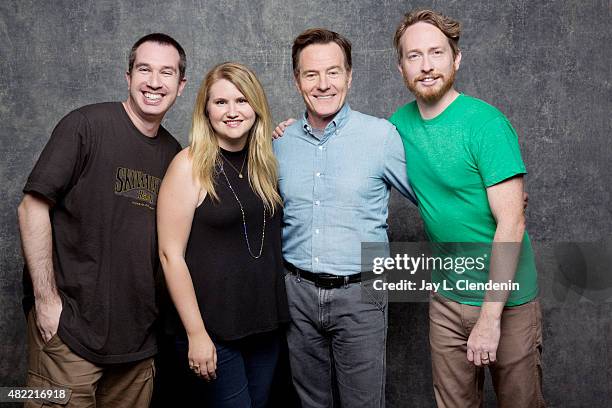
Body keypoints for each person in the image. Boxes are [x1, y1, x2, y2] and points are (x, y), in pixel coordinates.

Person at [17, 33, 187, 407]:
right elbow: (32, 207)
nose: (155, 82)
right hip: (70, 334)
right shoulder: (85, 126)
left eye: (166, 73)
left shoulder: (175, 155)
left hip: (137, 347)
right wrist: (46, 301)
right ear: (127, 76)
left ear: (181, 85)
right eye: (144, 69)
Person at [390, 9, 544, 407]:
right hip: (446, 298)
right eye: (414, 56)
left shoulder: (485, 124)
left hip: (504, 299)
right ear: (401, 67)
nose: (426, 66)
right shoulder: (397, 127)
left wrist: (491, 318)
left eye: (436, 53)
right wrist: (297, 128)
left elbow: (511, 222)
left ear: (456, 59)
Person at [272, 29, 417, 408]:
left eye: (333, 72)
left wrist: (492, 198)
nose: (323, 84)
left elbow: (432, 198)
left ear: (349, 76)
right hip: (297, 295)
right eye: (311, 74)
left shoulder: (381, 136)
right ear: (297, 80)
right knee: (310, 403)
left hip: (362, 294)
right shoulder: (279, 143)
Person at [157, 62, 289, 407]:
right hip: (212, 330)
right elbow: (170, 255)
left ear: (256, 107)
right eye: (221, 103)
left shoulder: (266, 163)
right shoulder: (189, 165)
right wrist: (196, 334)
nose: (233, 111)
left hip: (264, 325)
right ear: (206, 110)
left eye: (242, 101)